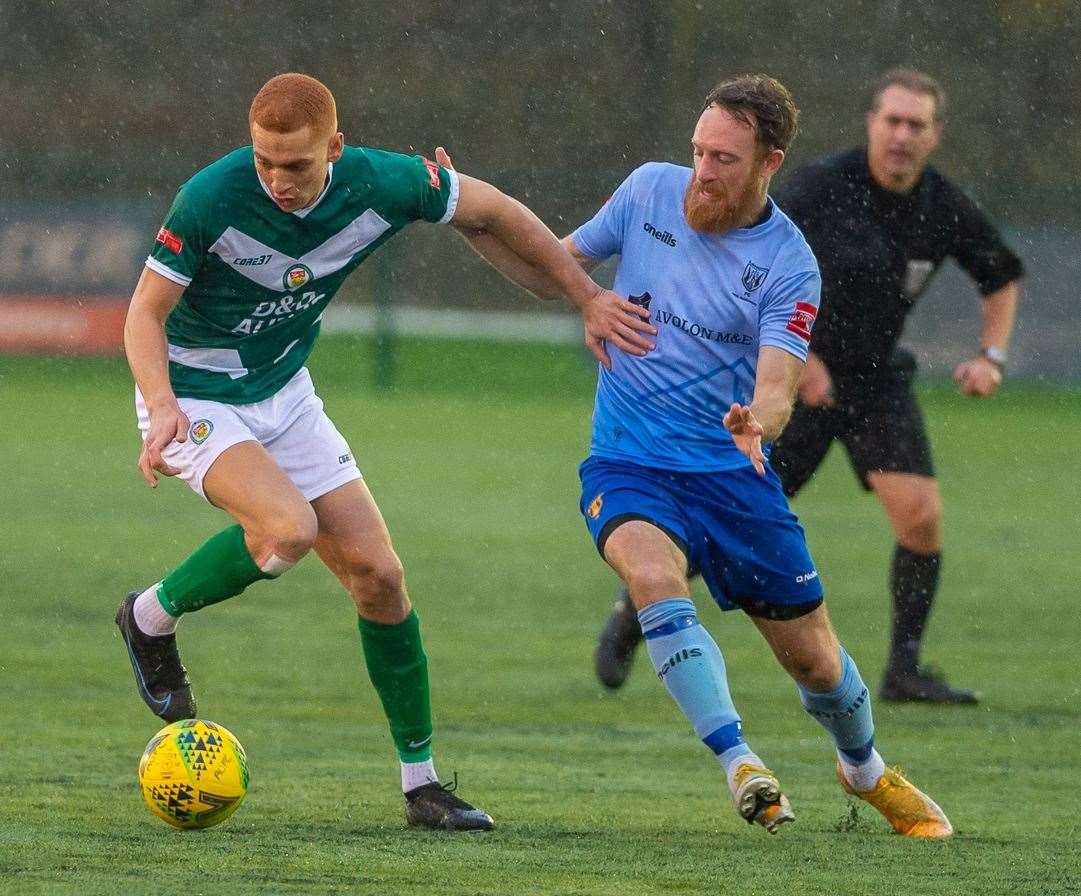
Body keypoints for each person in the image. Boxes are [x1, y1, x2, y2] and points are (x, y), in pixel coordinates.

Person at [116, 72, 655, 833]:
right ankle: (149, 616)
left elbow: (493, 212)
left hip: (284, 391)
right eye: (263, 161)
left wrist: (584, 296)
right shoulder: (210, 198)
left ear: (334, 148)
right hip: (194, 395)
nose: (276, 181)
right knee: (288, 530)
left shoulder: (385, 183)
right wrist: (163, 405)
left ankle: (422, 785)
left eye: (296, 165)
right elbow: (144, 313)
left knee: (379, 577)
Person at [447, 74, 952, 836]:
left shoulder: (788, 262)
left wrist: (760, 419)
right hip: (628, 462)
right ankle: (738, 762)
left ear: (768, 163)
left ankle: (865, 770)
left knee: (815, 663)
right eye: (698, 150)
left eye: (723, 159)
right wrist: (470, 222)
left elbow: (779, 386)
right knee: (651, 577)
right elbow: (551, 268)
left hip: (729, 479)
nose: (702, 172)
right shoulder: (649, 191)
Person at [595, 67, 1022, 705]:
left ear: (935, 135)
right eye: (892, 121)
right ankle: (637, 609)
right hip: (791, 383)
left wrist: (991, 355)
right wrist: (803, 362)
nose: (902, 135)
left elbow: (1001, 274)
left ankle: (903, 670)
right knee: (717, 524)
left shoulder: (943, 206)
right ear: (872, 124)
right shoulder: (822, 187)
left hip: (875, 382)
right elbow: (755, 262)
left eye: (917, 125)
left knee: (921, 517)